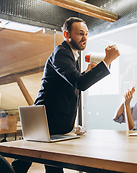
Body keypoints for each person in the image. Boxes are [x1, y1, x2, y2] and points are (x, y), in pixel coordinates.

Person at [11, 17, 120, 173]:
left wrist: (87, 72)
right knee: (22, 164)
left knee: (51, 167)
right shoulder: (61, 52)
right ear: (66, 34)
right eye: (80, 33)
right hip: (44, 120)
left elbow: (73, 81)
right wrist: (107, 60)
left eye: (87, 34)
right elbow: (80, 83)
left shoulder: (70, 55)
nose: (85, 38)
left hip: (52, 122)